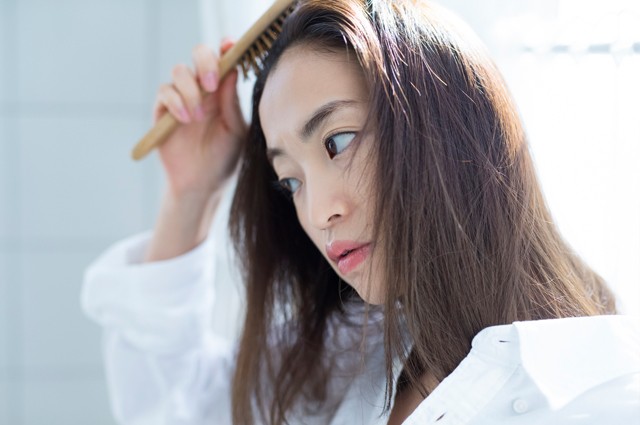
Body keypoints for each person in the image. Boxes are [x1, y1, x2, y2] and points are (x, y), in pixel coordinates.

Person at [82, 0, 640, 424]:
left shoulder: (602, 399)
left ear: (448, 126)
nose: (317, 212)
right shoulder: (354, 354)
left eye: (338, 141)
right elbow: (177, 406)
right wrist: (191, 192)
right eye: (291, 181)